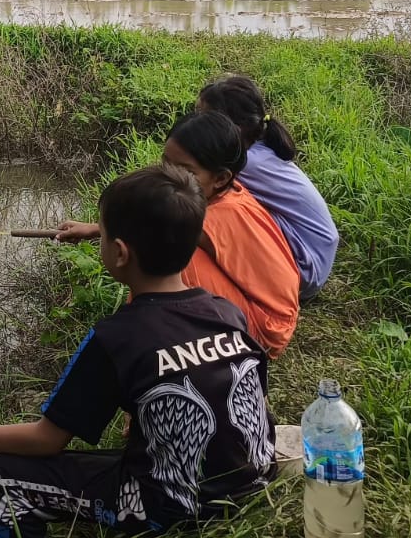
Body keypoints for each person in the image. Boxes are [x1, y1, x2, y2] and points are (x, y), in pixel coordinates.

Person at [0, 163, 277, 538]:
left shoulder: (117, 337)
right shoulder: (226, 312)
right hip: (249, 480)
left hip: (176, 506)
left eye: (104, 233)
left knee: (4, 479)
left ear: (119, 253)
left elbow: (46, 441)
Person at [57, 113, 302, 356]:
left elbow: (151, 226)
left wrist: (103, 228)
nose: (168, 175)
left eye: (185, 170)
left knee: (163, 263)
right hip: (261, 310)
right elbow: (152, 220)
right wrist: (94, 228)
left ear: (220, 178)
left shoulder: (216, 217)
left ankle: (146, 330)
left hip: (266, 329)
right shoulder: (225, 195)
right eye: (165, 162)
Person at [197, 75, 338, 300]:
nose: (195, 124)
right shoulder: (260, 150)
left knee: (214, 206)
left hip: (303, 270)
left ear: (233, 126)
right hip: (315, 261)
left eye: (203, 117)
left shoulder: (246, 163)